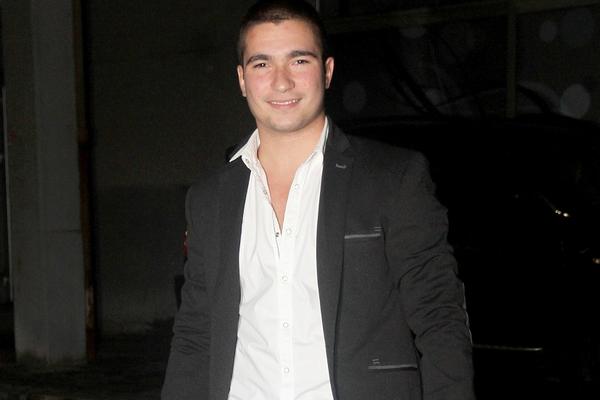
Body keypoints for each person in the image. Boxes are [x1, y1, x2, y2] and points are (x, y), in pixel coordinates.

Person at [162, 1, 474, 399]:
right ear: (241, 79)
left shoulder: (393, 179)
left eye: (299, 61)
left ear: (327, 71)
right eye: (262, 64)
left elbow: (440, 318)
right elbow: (195, 334)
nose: (281, 82)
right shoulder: (210, 199)